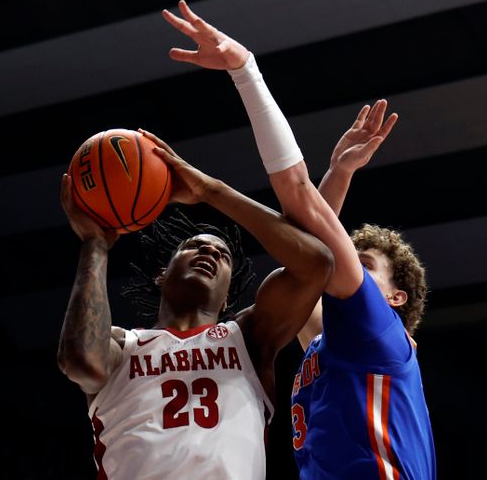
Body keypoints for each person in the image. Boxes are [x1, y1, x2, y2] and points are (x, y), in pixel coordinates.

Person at [163, 0, 436, 479]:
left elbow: (298, 203)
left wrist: (245, 71)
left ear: (394, 298)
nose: (345, 262)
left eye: (363, 262)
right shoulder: (329, 344)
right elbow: (308, 260)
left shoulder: (378, 336)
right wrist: (338, 174)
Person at [57, 130, 333, 479]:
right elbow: (80, 363)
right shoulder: (121, 346)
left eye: (223, 255)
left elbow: (317, 264)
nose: (210, 252)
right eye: (194, 246)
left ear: (229, 291)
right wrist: (94, 244)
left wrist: (210, 191)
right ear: (162, 274)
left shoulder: (248, 338)